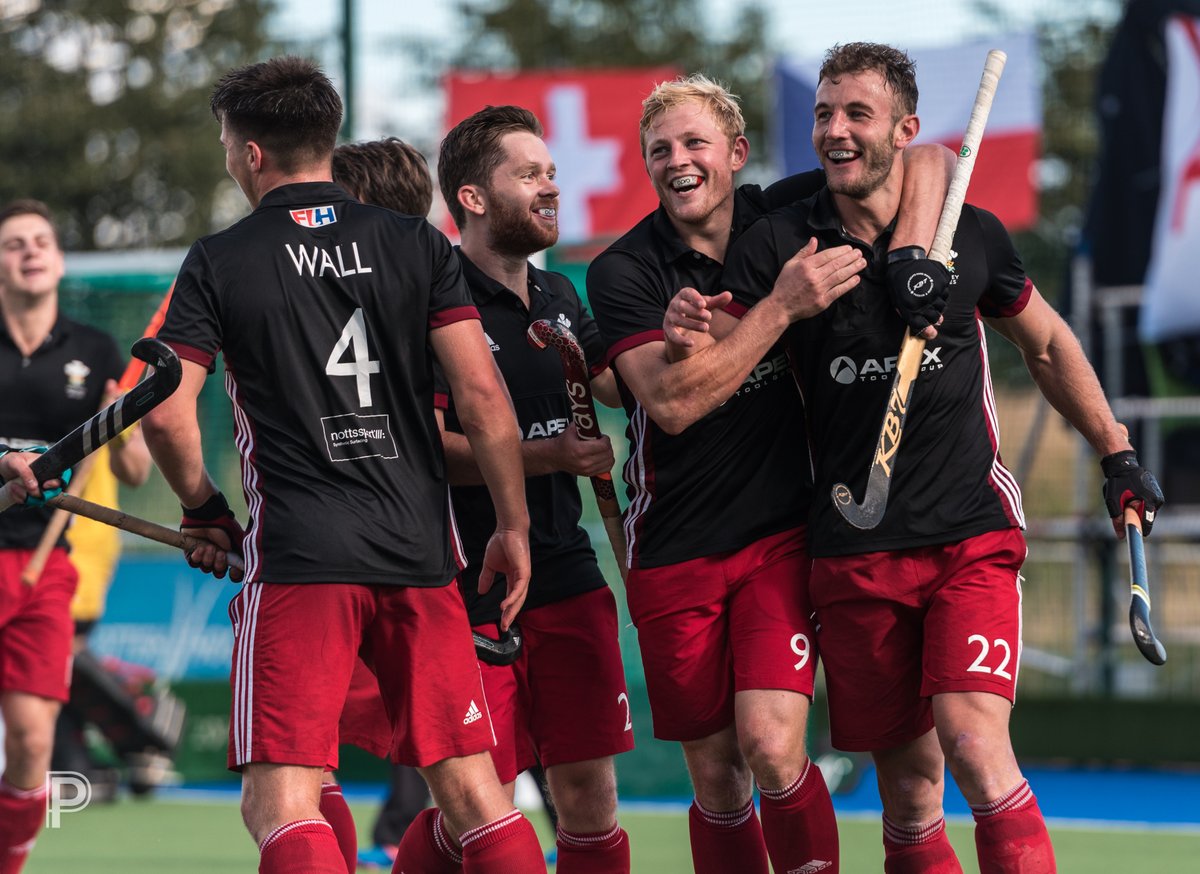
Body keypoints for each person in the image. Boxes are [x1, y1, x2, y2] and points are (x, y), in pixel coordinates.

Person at [663, 43, 1165, 874]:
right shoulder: (782, 242)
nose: (835, 131)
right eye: (824, 113)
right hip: (853, 552)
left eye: (857, 114)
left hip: (968, 531)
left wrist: (1115, 452)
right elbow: (726, 352)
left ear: (904, 128)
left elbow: (1043, 344)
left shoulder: (965, 230)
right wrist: (692, 327)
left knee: (971, 741)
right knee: (910, 793)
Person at [140, 57, 546, 874]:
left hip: (299, 561)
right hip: (423, 558)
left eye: (227, 143)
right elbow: (482, 397)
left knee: (282, 803)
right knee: (474, 794)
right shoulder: (416, 245)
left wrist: (203, 508)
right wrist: (512, 524)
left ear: (251, 154)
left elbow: (164, 408)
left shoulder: (221, 259)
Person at [584, 74, 952, 874]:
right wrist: (779, 309)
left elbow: (928, 159)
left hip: (782, 538)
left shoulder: (787, 214)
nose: (676, 161)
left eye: (693, 143)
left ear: (736, 154)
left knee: (773, 745)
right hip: (673, 546)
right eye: (659, 151)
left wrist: (916, 257)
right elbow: (673, 405)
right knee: (718, 777)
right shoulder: (624, 273)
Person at [393, 103, 635, 874]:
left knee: (591, 797)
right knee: (475, 805)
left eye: (552, 174)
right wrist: (551, 455)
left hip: (565, 566)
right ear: (472, 197)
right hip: (467, 579)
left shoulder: (560, 295)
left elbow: (613, 384)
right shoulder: (430, 294)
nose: (549, 188)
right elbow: (422, 446)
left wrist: (689, 338)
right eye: (529, 174)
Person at [0, 198, 152, 873]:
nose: (30, 251)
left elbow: (135, 466)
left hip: (43, 566)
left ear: (58, 261)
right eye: (14, 244)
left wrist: (128, 429)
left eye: (40, 241)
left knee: (32, 743)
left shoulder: (95, 352)